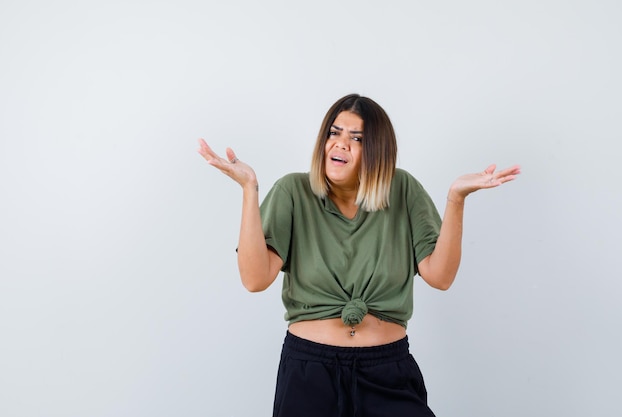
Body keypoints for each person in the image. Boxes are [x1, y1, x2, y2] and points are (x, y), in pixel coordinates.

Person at [198, 94, 520, 417]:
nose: (340, 144)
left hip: (387, 372)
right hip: (310, 374)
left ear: (377, 151)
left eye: (357, 138)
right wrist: (249, 189)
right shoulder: (292, 192)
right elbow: (254, 279)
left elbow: (441, 276)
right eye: (334, 133)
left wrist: (456, 199)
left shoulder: (404, 190)